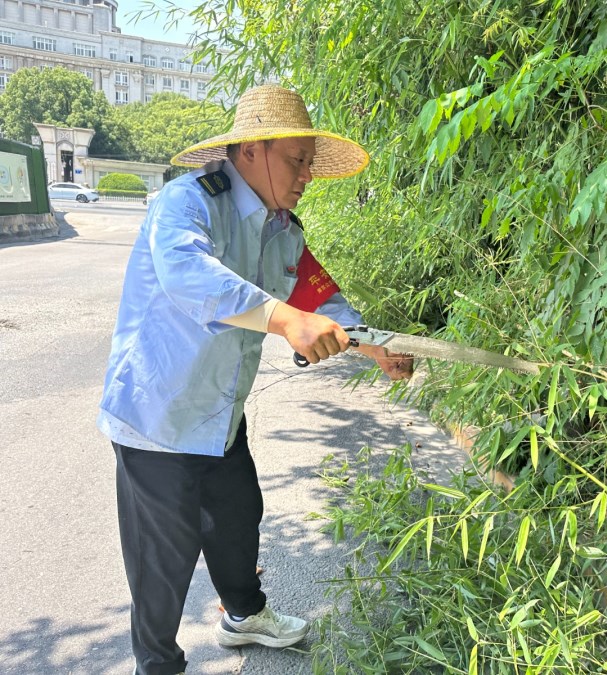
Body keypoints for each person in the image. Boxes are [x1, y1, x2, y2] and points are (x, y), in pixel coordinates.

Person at [97, 84, 412, 675]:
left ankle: (244, 615)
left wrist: (373, 347)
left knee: (239, 517)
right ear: (251, 151)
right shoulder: (187, 201)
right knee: (163, 560)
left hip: (221, 412)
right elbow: (187, 273)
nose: (307, 177)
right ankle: (157, 665)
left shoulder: (283, 228)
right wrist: (286, 321)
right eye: (297, 160)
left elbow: (316, 293)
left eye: (310, 164)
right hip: (158, 415)